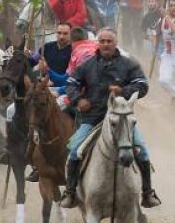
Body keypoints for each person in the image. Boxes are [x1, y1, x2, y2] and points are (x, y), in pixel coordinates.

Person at [61, 27, 160, 209]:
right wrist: (78, 100)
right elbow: (71, 83)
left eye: (109, 41)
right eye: (103, 41)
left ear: (116, 43)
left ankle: (147, 193)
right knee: (74, 150)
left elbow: (142, 84)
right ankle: (70, 192)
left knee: (143, 151)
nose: (106, 44)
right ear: (98, 43)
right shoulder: (87, 65)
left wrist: (124, 91)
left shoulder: (129, 64)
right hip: (92, 117)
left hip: (121, 117)